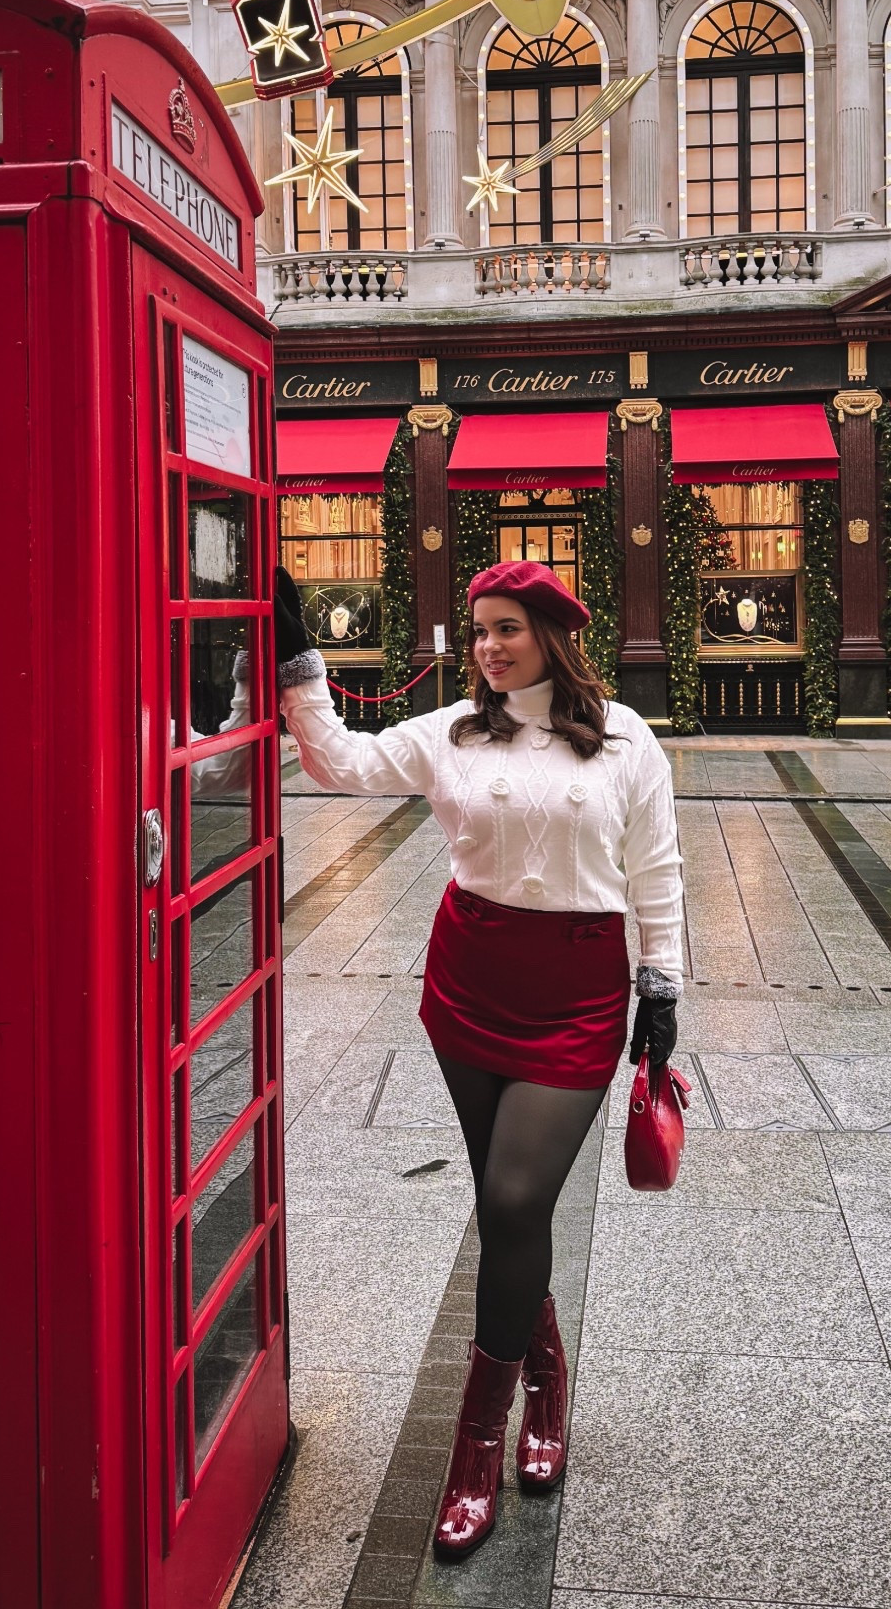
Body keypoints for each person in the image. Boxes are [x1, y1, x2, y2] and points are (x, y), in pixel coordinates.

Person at [274, 558, 682, 1560]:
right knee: (516, 1212)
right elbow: (338, 760)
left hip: (578, 993)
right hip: (469, 987)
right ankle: (544, 1372)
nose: (489, 647)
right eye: (480, 630)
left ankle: (475, 1443)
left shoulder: (626, 738)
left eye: (507, 628)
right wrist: (295, 659)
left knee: (509, 1204)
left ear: (551, 632)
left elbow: (657, 866)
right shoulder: (452, 732)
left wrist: (661, 982)